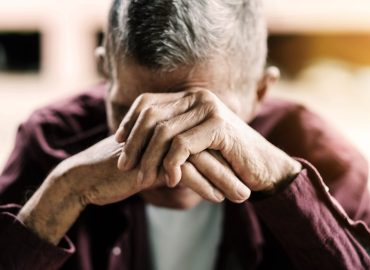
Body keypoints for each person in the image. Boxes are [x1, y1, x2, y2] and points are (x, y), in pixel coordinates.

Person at [1, 0, 370, 269]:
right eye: (134, 113)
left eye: (201, 122)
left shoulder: (322, 157)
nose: (169, 159)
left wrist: (285, 185)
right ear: (106, 75)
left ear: (259, 92)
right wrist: (63, 192)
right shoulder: (52, 141)